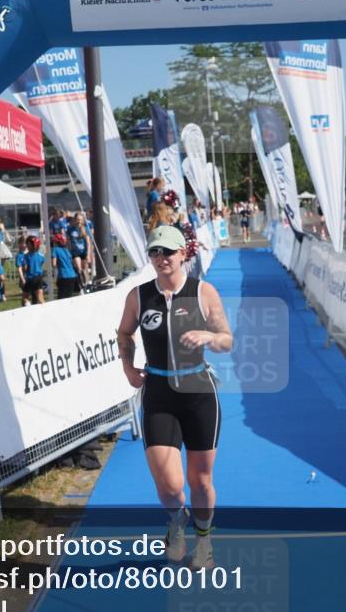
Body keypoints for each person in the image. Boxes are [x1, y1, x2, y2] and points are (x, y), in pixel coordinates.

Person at [117, 225, 233, 569]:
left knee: (200, 481)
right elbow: (124, 331)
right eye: (154, 252)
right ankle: (176, 520)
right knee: (169, 487)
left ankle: (204, 539)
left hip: (198, 393)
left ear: (184, 253)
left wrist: (208, 337)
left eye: (167, 251)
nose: (161, 258)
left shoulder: (203, 292)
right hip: (158, 392)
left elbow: (227, 339)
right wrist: (128, 367)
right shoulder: (139, 296)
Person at [67, 212, 93, 289]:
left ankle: (87, 284)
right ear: (75, 220)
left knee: (85, 270)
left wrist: (88, 255)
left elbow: (88, 243)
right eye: (78, 219)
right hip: (75, 253)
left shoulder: (86, 229)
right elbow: (68, 242)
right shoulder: (70, 229)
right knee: (79, 269)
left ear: (83, 220)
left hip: (84, 252)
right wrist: (69, 252)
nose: (79, 221)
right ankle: (81, 286)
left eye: (80, 220)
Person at [19, 235, 47, 305]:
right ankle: (44, 308)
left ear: (29, 245)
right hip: (39, 277)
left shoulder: (26, 256)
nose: (26, 246)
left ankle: (27, 306)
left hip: (31, 278)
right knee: (40, 296)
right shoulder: (40, 255)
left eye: (27, 244)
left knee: (25, 297)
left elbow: (25, 268)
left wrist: (24, 269)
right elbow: (42, 263)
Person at [51, 232, 78, 299]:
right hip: (72, 275)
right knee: (69, 297)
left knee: (61, 297)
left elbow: (53, 264)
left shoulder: (55, 249)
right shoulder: (67, 250)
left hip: (63, 276)